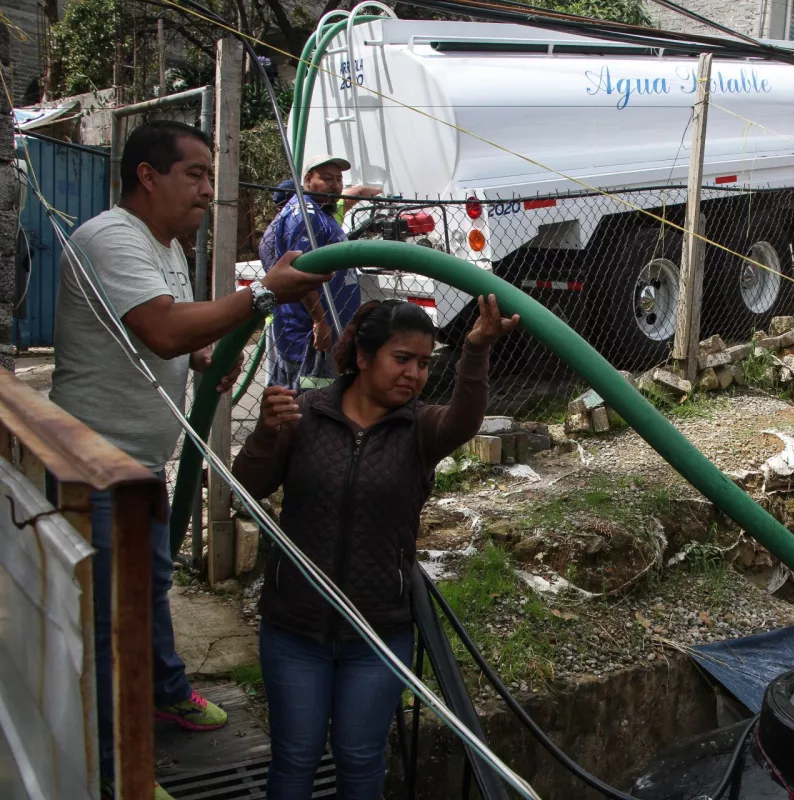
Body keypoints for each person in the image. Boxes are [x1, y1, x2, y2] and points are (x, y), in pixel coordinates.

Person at [49, 120, 331, 800]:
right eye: (196, 175)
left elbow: (170, 330)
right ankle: (119, 772)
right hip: (92, 466)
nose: (210, 189)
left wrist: (205, 354)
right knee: (107, 622)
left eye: (211, 175)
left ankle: (166, 692)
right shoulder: (113, 237)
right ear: (148, 176)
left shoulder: (167, 247)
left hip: (136, 463)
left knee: (147, 588)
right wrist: (264, 293)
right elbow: (161, 326)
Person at [232, 296, 519, 799]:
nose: (414, 373)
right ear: (363, 358)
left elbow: (465, 420)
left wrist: (475, 350)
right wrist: (264, 432)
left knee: (362, 760)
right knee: (295, 758)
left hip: (377, 632)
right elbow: (248, 484)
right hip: (295, 628)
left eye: (425, 363)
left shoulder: (421, 430)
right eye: (401, 358)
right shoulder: (305, 415)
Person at [267, 155, 379, 393]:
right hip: (308, 336)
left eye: (339, 179)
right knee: (309, 396)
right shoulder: (305, 216)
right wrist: (320, 321)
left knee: (322, 393)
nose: (335, 185)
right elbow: (301, 273)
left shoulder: (322, 212)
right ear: (308, 180)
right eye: (327, 178)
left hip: (328, 327)